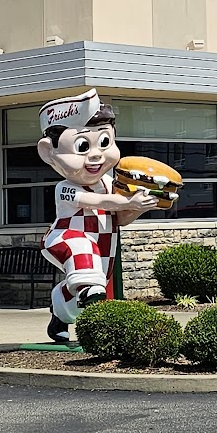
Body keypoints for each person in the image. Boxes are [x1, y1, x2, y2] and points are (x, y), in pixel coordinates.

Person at [36, 89, 157, 344]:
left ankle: (59, 313)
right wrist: (128, 200)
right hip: (68, 238)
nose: (95, 155)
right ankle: (97, 326)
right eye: (82, 146)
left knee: (90, 287)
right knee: (86, 266)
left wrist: (140, 207)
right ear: (49, 153)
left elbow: (119, 218)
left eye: (104, 143)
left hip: (103, 243)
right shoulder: (65, 188)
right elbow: (97, 201)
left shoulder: (109, 183)